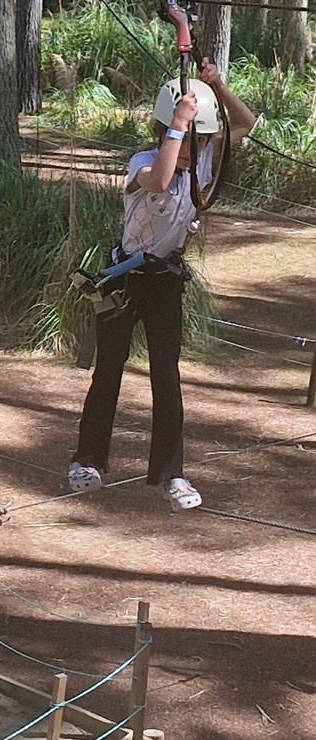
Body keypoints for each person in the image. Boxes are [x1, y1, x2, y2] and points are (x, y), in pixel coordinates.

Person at [67, 59, 255, 511]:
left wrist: (217, 87)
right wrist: (179, 125)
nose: (195, 149)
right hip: (124, 276)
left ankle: (172, 475)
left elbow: (245, 124)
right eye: (189, 140)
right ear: (165, 128)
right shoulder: (143, 163)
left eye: (200, 141)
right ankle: (87, 460)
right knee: (108, 369)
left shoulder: (203, 161)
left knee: (166, 377)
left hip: (164, 279)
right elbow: (162, 178)